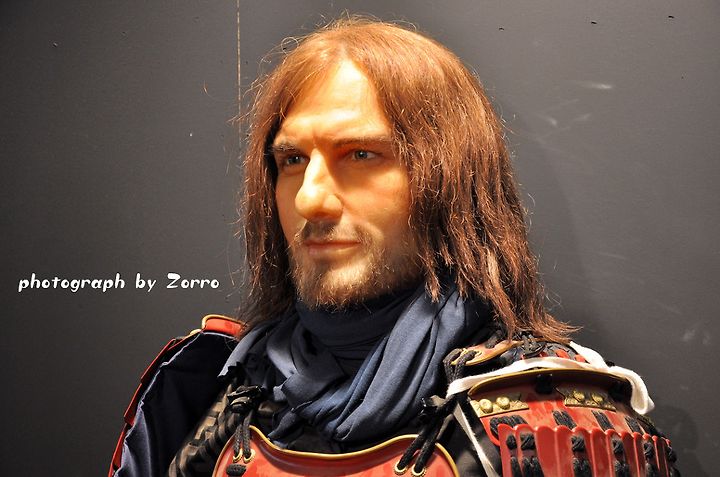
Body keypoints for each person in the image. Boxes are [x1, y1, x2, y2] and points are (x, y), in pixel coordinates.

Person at [109, 18, 679, 477]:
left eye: (361, 155)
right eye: (292, 160)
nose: (311, 199)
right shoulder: (231, 390)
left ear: (449, 183)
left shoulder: (550, 423)